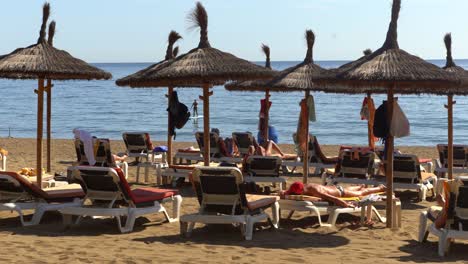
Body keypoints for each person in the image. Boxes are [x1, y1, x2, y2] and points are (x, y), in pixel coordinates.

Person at [280, 181, 386, 208]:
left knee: (360, 193)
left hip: (340, 193)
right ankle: (359, 185)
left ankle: (380, 187)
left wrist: (345, 204)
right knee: (349, 189)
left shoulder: (315, 191)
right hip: (336, 188)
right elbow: (285, 192)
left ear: (301, 191)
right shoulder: (304, 185)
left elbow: (333, 198)